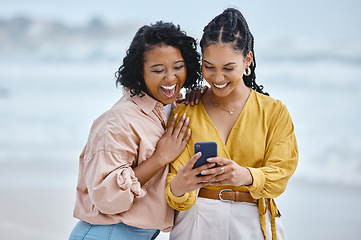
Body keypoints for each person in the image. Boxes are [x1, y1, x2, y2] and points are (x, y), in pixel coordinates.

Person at [165, 8, 299, 240]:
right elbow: (174, 193)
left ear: (247, 60)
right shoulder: (185, 111)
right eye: (209, 67)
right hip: (196, 222)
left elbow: (281, 175)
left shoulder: (274, 112)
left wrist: (246, 176)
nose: (217, 78)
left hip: (252, 223)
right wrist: (179, 186)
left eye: (228, 68)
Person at [69, 21, 201, 240]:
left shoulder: (171, 107)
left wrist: (202, 98)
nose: (170, 78)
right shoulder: (118, 120)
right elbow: (106, 196)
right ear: (139, 72)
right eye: (158, 70)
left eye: (178, 67)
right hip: (107, 234)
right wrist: (160, 157)